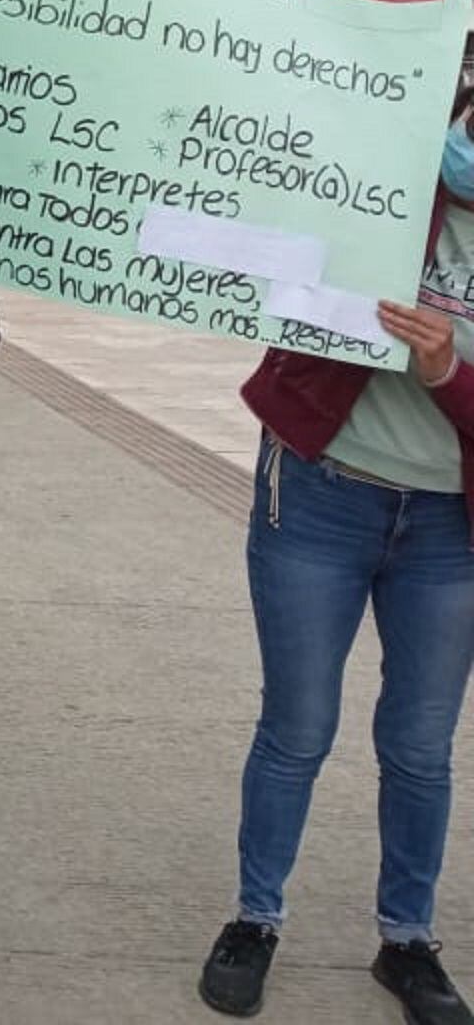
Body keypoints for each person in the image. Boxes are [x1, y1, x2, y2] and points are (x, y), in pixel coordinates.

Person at [199, 85, 474, 1024]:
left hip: (452, 527)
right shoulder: (384, 159)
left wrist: (449, 374)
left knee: (421, 746)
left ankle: (408, 941)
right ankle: (254, 919)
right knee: (297, 727)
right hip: (322, 491)